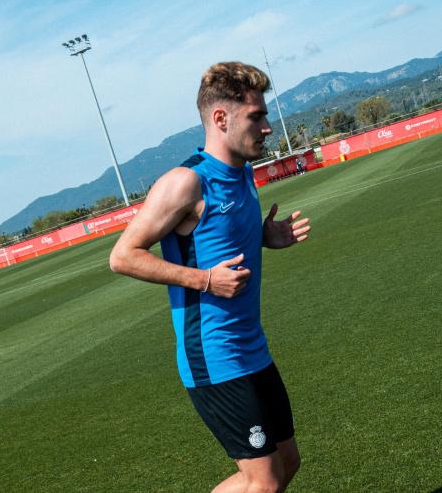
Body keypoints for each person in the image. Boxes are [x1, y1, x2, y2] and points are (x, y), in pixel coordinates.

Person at [109, 61, 311, 492]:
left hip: (252, 348)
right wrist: (204, 280)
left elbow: (217, 238)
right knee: (264, 481)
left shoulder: (241, 173)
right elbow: (123, 256)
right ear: (221, 118)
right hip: (214, 357)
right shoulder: (186, 183)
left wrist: (263, 237)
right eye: (257, 116)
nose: (268, 127)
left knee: (286, 462)